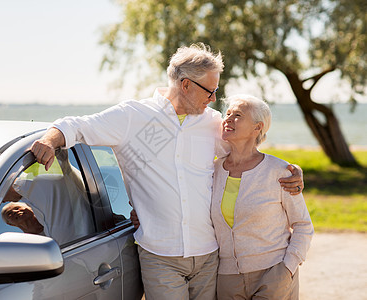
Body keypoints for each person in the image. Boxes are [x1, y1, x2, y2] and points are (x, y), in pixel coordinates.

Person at [30, 43, 303, 300]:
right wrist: (49, 140)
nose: (213, 98)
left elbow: (246, 155)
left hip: (209, 255)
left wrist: (290, 171)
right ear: (186, 85)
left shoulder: (212, 123)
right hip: (160, 255)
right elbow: (77, 126)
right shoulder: (132, 117)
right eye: (209, 90)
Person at [211, 94, 313, 299]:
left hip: (273, 274)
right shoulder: (213, 171)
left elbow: (303, 224)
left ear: (257, 127)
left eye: (237, 115)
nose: (228, 119)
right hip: (227, 279)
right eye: (227, 113)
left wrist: (288, 267)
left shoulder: (280, 171)